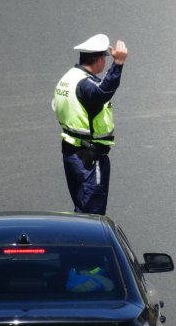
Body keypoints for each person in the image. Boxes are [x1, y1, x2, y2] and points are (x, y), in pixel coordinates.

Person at [51, 33, 127, 215]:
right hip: (89, 157)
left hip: (72, 152)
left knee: (81, 210)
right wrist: (118, 64)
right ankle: (86, 243)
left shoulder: (68, 78)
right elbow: (103, 92)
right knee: (92, 214)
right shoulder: (86, 84)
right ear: (100, 60)